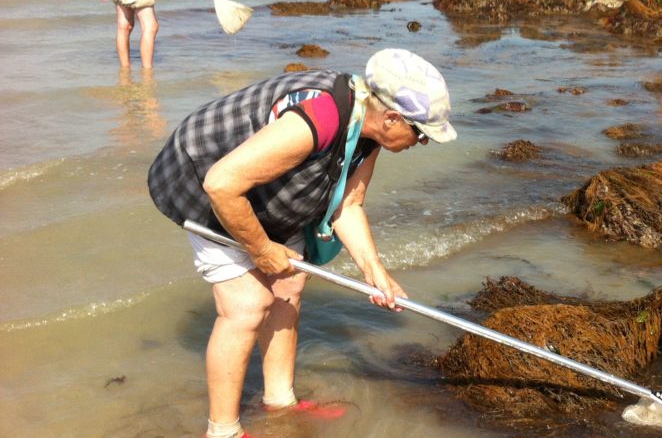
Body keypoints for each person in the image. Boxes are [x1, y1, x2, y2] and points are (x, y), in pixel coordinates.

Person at [147, 49, 457, 438]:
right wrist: (261, 250)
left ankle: (280, 401)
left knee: (289, 287)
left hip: (268, 191)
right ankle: (222, 430)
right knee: (247, 306)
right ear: (392, 118)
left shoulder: (370, 130)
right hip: (208, 184)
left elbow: (348, 204)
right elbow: (221, 184)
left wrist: (374, 271)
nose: (422, 142)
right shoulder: (321, 116)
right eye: (421, 133)